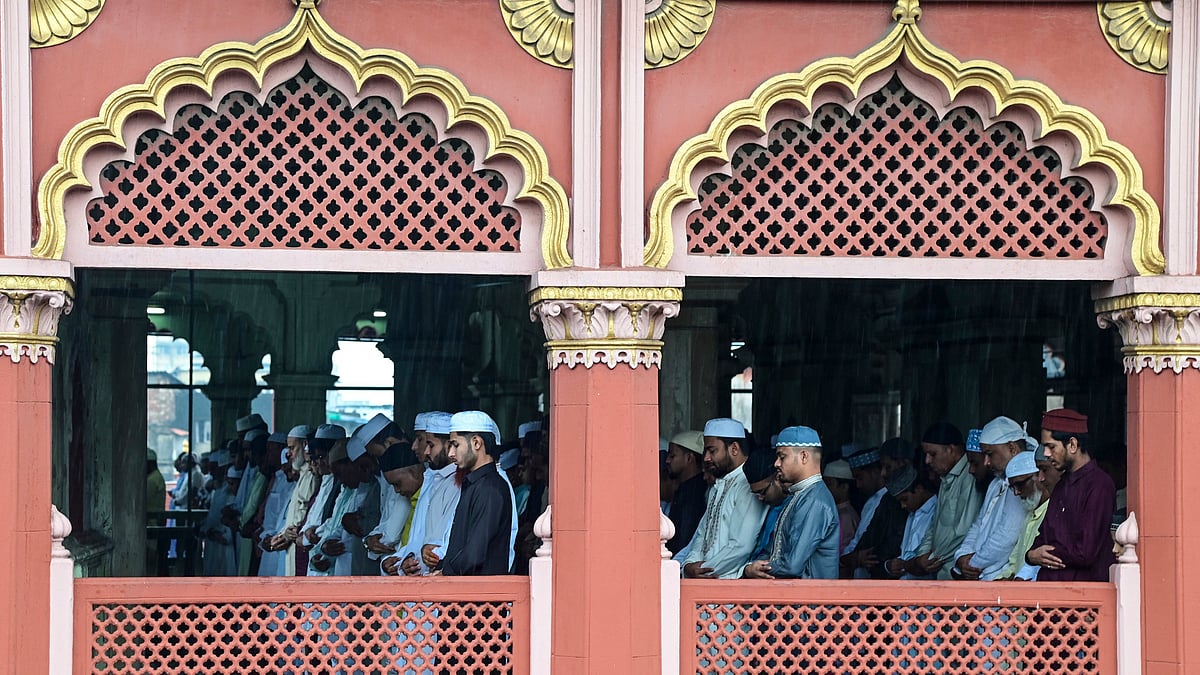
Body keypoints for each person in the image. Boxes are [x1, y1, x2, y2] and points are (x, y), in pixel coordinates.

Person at [1027, 409, 1116, 582]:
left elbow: (1085, 552)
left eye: (1051, 446)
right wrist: (1031, 555)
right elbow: (1041, 537)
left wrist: (1048, 552)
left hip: (1081, 598)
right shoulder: (1062, 484)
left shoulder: (1099, 485)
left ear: (1073, 445)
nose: (1046, 453)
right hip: (1050, 595)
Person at [742, 426, 839, 580]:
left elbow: (792, 565)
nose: (776, 464)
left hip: (810, 601)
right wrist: (750, 567)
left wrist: (751, 569)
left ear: (804, 457)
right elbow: (773, 551)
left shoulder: (814, 500)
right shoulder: (798, 496)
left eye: (782, 457)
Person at [683, 418, 768, 579]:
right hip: (704, 585)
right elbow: (702, 535)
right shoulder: (718, 485)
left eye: (712, 451)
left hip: (728, 590)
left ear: (734, 449)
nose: (706, 458)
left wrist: (705, 570)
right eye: (705, 452)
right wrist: (689, 565)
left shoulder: (748, 483)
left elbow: (741, 546)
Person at [952, 416, 1034, 581]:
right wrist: (962, 557)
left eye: (990, 454)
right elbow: (978, 524)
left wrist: (973, 563)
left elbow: (1006, 536)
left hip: (999, 580)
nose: (987, 462)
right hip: (981, 576)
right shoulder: (996, 484)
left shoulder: (1024, 484)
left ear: (1012, 448)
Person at [434, 411, 515, 576]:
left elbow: (474, 554)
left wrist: (445, 574)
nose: (450, 454)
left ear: (476, 443)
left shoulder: (491, 489)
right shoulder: (475, 484)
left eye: (455, 445)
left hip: (478, 598)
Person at [900, 423, 983, 580]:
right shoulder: (946, 479)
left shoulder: (969, 476)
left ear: (951, 449)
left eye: (932, 454)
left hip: (957, 573)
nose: (927, 461)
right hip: (942, 573)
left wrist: (933, 558)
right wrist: (922, 555)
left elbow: (964, 530)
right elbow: (935, 526)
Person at [386, 412, 462, 577]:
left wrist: (429, 556)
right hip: (422, 581)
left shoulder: (461, 483)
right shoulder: (433, 478)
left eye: (426, 442)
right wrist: (401, 561)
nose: (416, 447)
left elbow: (449, 543)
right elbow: (418, 539)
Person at [841, 446, 891, 577]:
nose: (858, 485)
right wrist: (852, 557)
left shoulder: (888, 501)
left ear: (874, 472)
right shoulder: (870, 501)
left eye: (860, 478)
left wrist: (854, 557)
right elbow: (856, 542)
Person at [881, 466, 939, 580]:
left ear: (919, 489)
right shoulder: (912, 514)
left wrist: (906, 565)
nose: (903, 506)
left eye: (904, 499)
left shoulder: (937, 510)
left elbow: (926, 559)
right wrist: (891, 565)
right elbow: (906, 555)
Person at [999, 450, 1048, 580]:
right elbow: (1014, 561)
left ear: (1039, 476)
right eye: (1012, 487)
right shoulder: (1030, 515)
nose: (1016, 492)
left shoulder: (1052, 514)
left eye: (1020, 484)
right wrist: (1003, 578)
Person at [664, 430, 707, 555]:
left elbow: (685, 539)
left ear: (689, 458)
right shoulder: (685, 489)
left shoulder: (696, 493)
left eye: (672, 456)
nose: (667, 461)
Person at [822, 460, 859, 553]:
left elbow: (843, 552)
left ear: (844, 487)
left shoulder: (845, 516)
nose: (825, 490)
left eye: (829, 484)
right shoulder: (836, 512)